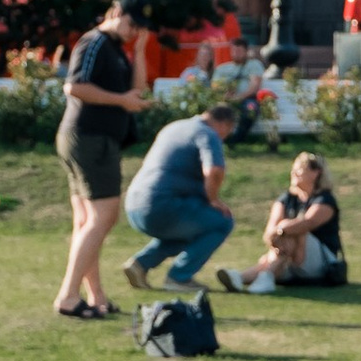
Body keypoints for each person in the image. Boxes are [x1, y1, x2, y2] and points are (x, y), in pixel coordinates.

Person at [52, 0, 148, 320]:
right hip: (89, 138)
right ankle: (67, 295)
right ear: (116, 13)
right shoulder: (94, 42)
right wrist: (120, 100)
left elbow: (138, 91)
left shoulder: (116, 48)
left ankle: (95, 296)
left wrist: (140, 51)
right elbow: (75, 86)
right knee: (103, 218)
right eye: (131, 24)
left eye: (139, 28)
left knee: (87, 222)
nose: (134, 31)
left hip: (92, 139)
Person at [124, 101, 239, 293]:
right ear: (225, 124)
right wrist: (213, 200)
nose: (225, 138)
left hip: (134, 204)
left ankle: (140, 264)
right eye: (228, 132)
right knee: (222, 221)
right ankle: (179, 277)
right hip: (162, 205)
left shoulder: (175, 126)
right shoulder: (207, 133)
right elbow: (215, 170)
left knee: (193, 230)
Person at [222, 150, 346, 295]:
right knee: (284, 240)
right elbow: (269, 233)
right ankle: (246, 278)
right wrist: (277, 237)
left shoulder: (325, 200)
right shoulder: (286, 199)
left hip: (319, 264)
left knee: (297, 231)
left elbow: (307, 223)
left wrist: (282, 229)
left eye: (300, 169)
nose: (294, 173)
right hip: (288, 259)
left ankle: (253, 276)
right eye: (293, 169)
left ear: (316, 173)